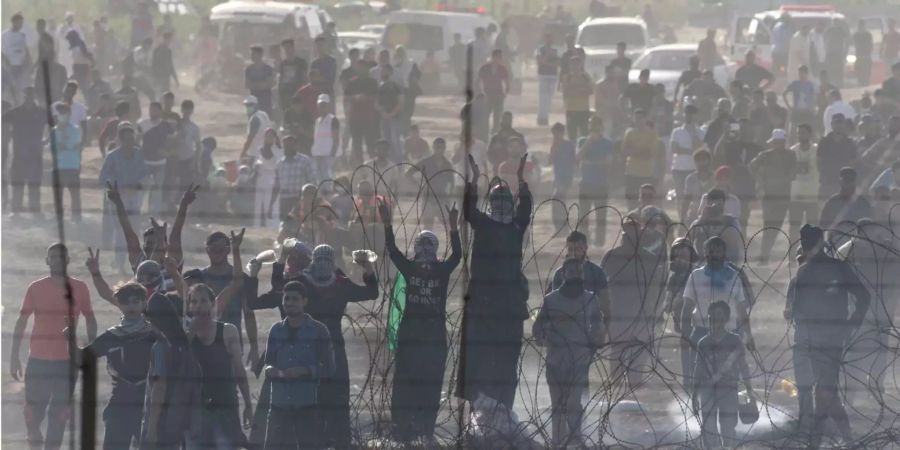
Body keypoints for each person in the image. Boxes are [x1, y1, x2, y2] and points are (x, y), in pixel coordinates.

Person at [379, 200, 461, 442]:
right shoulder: (420, 269)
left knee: (429, 382)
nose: (424, 250)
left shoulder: (432, 269)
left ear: (434, 249)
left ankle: (423, 429)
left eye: (428, 246)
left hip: (429, 335)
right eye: (421, 245)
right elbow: (393, 251)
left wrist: (454, 227)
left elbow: (457, 255)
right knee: (408, 381)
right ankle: (406, 428)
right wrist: (386, 223)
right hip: (416, 334)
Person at [459, 153, 532, 414]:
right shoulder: (503, 226)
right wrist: (475, 180)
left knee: (500, 361)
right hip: (490, 306)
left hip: (498, 307)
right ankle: (485, 409)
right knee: (487, 360)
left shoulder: (499, 226)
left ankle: (499, 409)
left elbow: (470, 211)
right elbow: (470, 211)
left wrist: (477, 181)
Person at [785, 225, 870, 444]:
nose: (806, 246)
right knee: (825, 391)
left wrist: (852, 324)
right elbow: (798, 308)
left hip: (832, 338)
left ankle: (823, 440)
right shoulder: (803, 271)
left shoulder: (839, 268)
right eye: (804, 243)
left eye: (810, 242)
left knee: (825, 390)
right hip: (811, 340)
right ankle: (842, 439)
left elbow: (863, 296)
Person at [10, 243, 97, 450]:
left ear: (68, 260)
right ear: (47, 260)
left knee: (59, 416)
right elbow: (21, 321)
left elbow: (90, 318)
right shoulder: (36, 287)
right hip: (38, 361)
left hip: (67, 363)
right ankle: (33, 437)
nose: (57, 260)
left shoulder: (80, 288)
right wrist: (14, 357)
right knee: (33, 415)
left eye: (61, 256)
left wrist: (89, 347)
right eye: (53, 256)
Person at [301, 245, 378, 448]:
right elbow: (284, 297)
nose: (323, 265)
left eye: (327, 260)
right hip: (312, 347)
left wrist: (368, 267)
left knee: (337, 394)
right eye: (320, 260)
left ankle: (338, 439)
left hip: (332, 346)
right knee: (316, 395)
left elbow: (371, 292)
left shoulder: (338, 283)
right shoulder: (304, 282)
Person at [74, 282, 156, 450]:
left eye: (135, 301)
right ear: (119, 304)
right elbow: (82, 358)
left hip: (149, 405)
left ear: (144, 303)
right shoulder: (112, 336)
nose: (131, 306)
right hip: (120, 403)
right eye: (126, 302)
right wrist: (69, 339)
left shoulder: (155, 334)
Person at [533, 258, 605, 447]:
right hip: (556, 361)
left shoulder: (591, 298)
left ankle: (574, 440)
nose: (576, 275)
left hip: (579, 361)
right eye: (571, 271)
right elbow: (537, 326)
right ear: (563, 274)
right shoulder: (551, 300)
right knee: (557, 406)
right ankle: (558, 442)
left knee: (573, 404)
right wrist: (541, 336)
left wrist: (597, 339)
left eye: (579, 272)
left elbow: (599, 326)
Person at [262, 281, 335, 449]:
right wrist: (271, 371)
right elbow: (269, 363)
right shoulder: (276, 330)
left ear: (305, 301)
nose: (290, 303)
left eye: (295, 299)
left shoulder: (319, 330)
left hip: (307, 406)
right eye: (286, 298)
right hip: (278, 407)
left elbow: (330, 369)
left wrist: (304, 371)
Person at [185, 275, 254, 449]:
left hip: (225, 407)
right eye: (194, 301)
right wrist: (189, 334)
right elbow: (177, 366)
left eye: (203, 301)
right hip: (195, 410)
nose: (198, 305)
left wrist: (247, 403)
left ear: (212, 303)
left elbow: (239, 370)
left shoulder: (227, 331)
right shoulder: (185, 335)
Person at [601, 219, 666, 392]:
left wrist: (656, 311)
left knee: (638, 357)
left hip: (641, 314)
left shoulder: (649, 259)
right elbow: (602, 286)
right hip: (618, 313)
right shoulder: (611, 256)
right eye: (626, 234)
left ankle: (634, 392)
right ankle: (615, 390)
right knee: (617, 354)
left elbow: (657, 288)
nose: (628, 238)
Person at [141, 291, 202, 449]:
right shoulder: (183, 346)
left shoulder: (161, 347)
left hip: (161, 422)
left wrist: (152, 428)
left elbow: (159, 387)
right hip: (178, 421)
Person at [690, 301, 754, 450]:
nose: (714, 321)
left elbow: (743, 367)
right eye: (711, 318)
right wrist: (694, 395)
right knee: (709, 428)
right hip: (707, 390)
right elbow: (697, 370)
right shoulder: (703, 343)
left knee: (728, 427)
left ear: (726, 319)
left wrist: (748, 391)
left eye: (718, 317)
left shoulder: (734, 341)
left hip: (729, 389)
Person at [192, 231, 260, 368]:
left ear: (228, 250)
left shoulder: (243, 279)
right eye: (213, 249)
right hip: (201, 343)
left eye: (221, 249)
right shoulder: (198, 278)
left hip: (231, 344)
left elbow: (249, 314)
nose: (217, 253)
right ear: (207, 250)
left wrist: (254, 348)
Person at [100, 122, 148, 271]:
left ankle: (134, 262)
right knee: (120, 229)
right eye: (126, 138)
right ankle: (119, 262)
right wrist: (119, 187)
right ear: (120, 139)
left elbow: (144, 174)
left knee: (134, 229)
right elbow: (104, 178)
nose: (130, 141)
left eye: (131, 138)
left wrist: (137, 185)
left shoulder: (139, 154)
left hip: (134, 197)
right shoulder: (112, 156)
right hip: (118, 197)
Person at [749, 129, 796, 264]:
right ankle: (764, 256)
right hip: (768, 195)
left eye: (779, 142)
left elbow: (794, 170)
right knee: (768, 225)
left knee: (776, 225)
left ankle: (765, 256)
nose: (777, 144)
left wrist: (788, 178)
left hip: (783, 195)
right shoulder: (765, 155)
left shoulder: (790, 155)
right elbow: (752, 166)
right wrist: (760, 179)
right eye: (776, 142)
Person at [3, 86, 46, 216]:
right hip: (19, 153)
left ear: (34, 96)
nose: (29, 98)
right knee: (17, 182)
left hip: (35, 153)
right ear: (24, 96)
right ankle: (15, 210)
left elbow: (54, 125)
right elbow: (2, 119)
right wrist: (7, 135)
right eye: (27, 96)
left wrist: (47, 140)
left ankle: (35, 210)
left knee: (35, 183)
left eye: (31, 96)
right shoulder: (16, 112)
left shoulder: (42, 112)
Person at [578, 115, 614, 245]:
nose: (593, 126)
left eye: (596, 124)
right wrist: (589, 142)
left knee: (601, 215)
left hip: (601, 183)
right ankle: (584, 241)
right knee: (583, 215)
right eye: (590, 124)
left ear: (601, 126)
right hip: (586, 183)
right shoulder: (582, 140)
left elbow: (608, 162)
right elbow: (579, 157)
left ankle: (599, 243)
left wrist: (590, 162)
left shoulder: (607, 143)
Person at [407, 137, 455, 231]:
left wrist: (449, 197)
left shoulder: (447, 164)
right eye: (437, 147)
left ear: (444, 148)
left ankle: (455, 245)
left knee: (450, 228)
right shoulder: (426, 162)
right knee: (428, 228)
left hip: (442, 199)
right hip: (428, 199)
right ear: (433, 147)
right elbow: (409, 173)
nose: (439, 150)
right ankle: (427, 245)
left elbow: (452, 182)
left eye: (442, 148)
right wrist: (417, 185)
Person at [687, 189, 745, 264]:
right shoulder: (699, 222)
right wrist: (701, 221)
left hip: (726, 264)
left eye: (719, 205)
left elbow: (735, 242)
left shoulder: (730, 221)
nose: (715, 207)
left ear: (724, 205)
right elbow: (687, 241)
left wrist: (721, 221)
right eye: (711, 204)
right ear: (707, 204)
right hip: (703, 264)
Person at [820, 167, 873, 249]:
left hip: (857, 245)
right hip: (835, 244)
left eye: (851, 180)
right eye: (845, 180)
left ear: (855, 181)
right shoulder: (832, 202)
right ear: (840, 181)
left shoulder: (863, 203)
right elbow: (822, 225)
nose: (848, 183)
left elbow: (869, 227)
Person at [137, 101, 174, 216]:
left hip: (160, 162)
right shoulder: (143, 124)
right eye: (150, 109)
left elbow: (172, 141)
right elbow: (137, 141)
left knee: (157, 189)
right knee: (142, 188)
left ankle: (154, 214)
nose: (151, 112)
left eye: (154, 109)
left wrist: (167, 152)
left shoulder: (166, 125)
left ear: (160, 111)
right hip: (145, 161)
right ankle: (138, 211)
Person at [50, 102, 84, 222]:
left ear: (69, 114)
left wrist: (63, 136)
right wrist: (63, 144)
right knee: (58, 194)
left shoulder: (75, 130)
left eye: (63, 112)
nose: (61, 115)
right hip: (58, 166)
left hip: (72, 165)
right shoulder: (53, 131)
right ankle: (58, 216)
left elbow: (73, 145)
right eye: (59, 113)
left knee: (74, 194)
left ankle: (76, 216)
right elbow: (55, 147)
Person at [271, 134, 318, 222]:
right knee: (284, 227)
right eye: (285, 146)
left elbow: (312, 182)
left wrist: (310, 201)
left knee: (299, 227)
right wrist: (271, 205)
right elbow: (276, 186)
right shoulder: (279, 164)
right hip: (284, 200)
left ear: (296, 146)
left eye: (290, 145)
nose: (287, 148)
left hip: (298, 200)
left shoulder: (304, 161)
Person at [345, 58, 379, 166]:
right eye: (359, 67)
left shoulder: (372, 82)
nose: (361, 69)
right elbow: (346, 97)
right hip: (355, 117)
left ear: (367, 68)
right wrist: (355, 97)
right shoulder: (352, 82)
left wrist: (366, 97)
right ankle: (359, 166)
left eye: (363, 67)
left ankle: (374, 165)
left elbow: (377, 97)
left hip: (368, 117)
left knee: (371, 144)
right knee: (356, 144)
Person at [622, 109, 658, 210]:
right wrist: (640, 151)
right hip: (631, 172)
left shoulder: (652, 133)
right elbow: (625, 151)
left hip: (646, 173)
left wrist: (633, 151)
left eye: (641, 118)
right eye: (636, 118)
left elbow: (650, 154)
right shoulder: (629, 133)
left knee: (647, 202)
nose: (638, 120)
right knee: (631, 201)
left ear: (645, 119)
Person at [789, 124, 820, 241]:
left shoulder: (817, 150)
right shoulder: (792, 151)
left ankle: (811, 254)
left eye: (803, 133)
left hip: (813, 194)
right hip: (796, 194)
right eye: (799, 133)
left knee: (813, 227)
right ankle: (792, 255)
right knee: (794, 227)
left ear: (809, 134)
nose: (800, 135)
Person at [670, 104, 706, 204]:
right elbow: (674, 149)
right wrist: (691, 151)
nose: (689, 116)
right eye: (687, 113)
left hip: (695, 168)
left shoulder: (701, 132)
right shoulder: (677, 131)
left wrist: (694, 133)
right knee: (680, 195)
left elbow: (700, 148)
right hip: (678, 168)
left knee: (695, 196)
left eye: (691, 114)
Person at [817, 114, 857, 199]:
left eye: (841, 123)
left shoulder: (850, 142)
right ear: (832, 124)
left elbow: (853, 162)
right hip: (827, 182)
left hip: (844, 183)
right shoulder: (824, 141)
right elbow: (818, 161)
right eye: (836, 123)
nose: (838, 125)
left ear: (844, 124)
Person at [547, 122, 576, 230]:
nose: (555, 136)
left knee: (558, 199)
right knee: (559, 200)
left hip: (566, 176)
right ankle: (560, 227)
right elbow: (549, 161)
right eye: (554, 134)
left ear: (562, 133)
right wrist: (554, 149)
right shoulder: (554, 145)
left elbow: (574, 160)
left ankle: (562, 226)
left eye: (557, 133)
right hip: (558, 177)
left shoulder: (569, 145)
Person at [561, 56, 593, 141]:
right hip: (571, 109)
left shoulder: (586, 77)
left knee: (585, 133)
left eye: (576, 64)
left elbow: (590, 91)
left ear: (580, 65)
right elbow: (566, 93)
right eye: (573, 64)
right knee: (572, 135)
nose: (575, 66)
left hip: (584, 110)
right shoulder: (567, 77)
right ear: (570, 65)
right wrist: (581, 90)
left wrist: (574, 90)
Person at [477, 49, 510, 133]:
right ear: (493, 57)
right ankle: (484, 130)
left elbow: (506, 81)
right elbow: (479, 81)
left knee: (497, 115)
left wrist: (505, 93)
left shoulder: (502, 68)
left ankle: (495, 131)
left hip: (498, 94)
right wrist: (481, 93)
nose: (499, 59)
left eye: (500, 57)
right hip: (487, 94)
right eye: (497, 57)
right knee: (485, 114)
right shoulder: (484, 68)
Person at [376, 64, 404, 160]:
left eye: (385, 70)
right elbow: (376, 103)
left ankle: (399, 164)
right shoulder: (380, 87)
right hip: (384, 118)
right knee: (386, 142)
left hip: (395, 118)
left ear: (391, 72)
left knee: (395, 140)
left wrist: (391, 114)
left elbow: (401, 102)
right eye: (382, 71)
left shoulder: (396, 86)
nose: (383, 72)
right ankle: (389, 163)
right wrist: (383, 112)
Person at [3, 13, 32, 104]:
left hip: (22, 66)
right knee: (9, 87)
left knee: (21, 88)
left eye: (22, 23)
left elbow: (26, 49)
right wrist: (5, 61)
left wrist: (28, 62)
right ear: (14, 22)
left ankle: (19, 104)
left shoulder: (22, 35)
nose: (21, 25)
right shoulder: (4, 35)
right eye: (19, 23)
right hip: (10, 66)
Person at [681, 149, 715, 224]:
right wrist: (682, 220)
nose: (701, 162)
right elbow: (686, 200)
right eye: (698, 160)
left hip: (712, 217)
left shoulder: (716, 178)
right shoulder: (690, 179)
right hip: (694, 216)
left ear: (709, 161)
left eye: (704, 159)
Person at [311, 93, 339, 181]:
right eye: (320, 105)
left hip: (328, 155)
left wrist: (332, 156)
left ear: (328, 106)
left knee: (329, 179)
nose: (322, 108)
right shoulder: (317, 121)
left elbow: (336, 139)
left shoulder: (333, 120)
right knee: (319, 180)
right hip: (317, 155)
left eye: (324, 105)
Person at [278, 39, 308, 115]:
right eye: (285, 48)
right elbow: (281, 80)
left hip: (298, 94)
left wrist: (302, 93)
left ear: (293, 48)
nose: (287, 50)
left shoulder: (301, 62)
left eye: (288, 47)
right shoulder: (282, 64)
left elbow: (305, 79)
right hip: (286, 95)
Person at [535, 33, 560, 125]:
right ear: (545, 40)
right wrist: (548, 56)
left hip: (552, 75)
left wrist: (547, 62)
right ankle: (541, 117)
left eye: (551, 39)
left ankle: (545, 117)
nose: (549, 41)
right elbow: (540, 62)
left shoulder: (555, 50)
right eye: (548, 39)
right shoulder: (539, 50)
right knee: (542, 97)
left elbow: (558, 63)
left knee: (549, 98)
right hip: (543, 75)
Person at [245, 45, 275, 115]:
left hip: (265, 100)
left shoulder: (268, 69)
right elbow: (247, 84)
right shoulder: (249, 69)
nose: (251, 56)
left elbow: (269, 84)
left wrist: (255, 85)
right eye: (251, 54)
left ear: (260, 55)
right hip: (253, 99)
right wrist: (261, 85)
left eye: (253, 54)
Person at [240, 95, 272, 160]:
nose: (248, 107)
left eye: (250, 105)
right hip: (266, 151)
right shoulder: (263, 114)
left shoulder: (254, 119)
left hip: (255, 154)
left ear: (256, 105)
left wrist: (242, 154)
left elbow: (250, 139)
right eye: (247, 105)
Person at [824, 19, 849, 87]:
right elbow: (825, 40)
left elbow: (846, 41)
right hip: (832, 54)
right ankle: (834, 84)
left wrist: (845, 53)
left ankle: (839, 84)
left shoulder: (841, 30)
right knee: (833, 70)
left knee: (838, 70)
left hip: (838, 54)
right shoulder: (830, 30)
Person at [852, 20, 874, 87]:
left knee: (866, 73)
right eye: (860, 25)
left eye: (862, 25)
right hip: (859, 56)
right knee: (859, 73)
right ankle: (861, 84)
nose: (861, 26)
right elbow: (853, 45)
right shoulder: (855, 35)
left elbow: (871, 45)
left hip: (866, 56)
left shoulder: (868, 35)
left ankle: (866, 84)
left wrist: (870, 52)